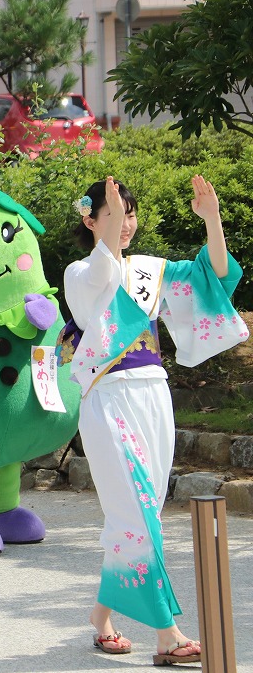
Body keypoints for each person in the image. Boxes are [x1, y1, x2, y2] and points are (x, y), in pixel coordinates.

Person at [63, 176, 246, 665]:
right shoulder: (79, 272)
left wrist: (211, 219)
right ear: (91, 218)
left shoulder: (151, 271)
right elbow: (97, 287)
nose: (127, 223)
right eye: (116, 212)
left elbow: (213, 279)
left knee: (141, 515)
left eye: (131, 213)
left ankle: (101, 616)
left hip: (153, 398)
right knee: (137, 515)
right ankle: (167, 634)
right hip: (109, 400)